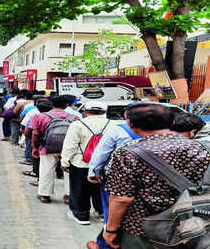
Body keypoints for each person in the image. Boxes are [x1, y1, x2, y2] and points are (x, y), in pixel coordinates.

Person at [104, 103, 210, 248]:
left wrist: (110, 229)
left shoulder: (128, 154)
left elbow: (121, 198)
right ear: (172, 121)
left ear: (130, 124)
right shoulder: (202, 148)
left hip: (144, 229)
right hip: (193, 223)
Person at [86, 105, 142, 249]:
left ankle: (106, 244)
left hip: (117, 181)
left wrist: (93, 172)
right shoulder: (169, 137)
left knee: (112, 212)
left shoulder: (118, 130)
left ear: (127, 118)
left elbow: (101, 154)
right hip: (152, 184)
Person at [61, 101, 109, 225]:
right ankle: (103, 213)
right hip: (104, 164)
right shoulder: (112, 124)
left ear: (86, 111)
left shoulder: (78, 124)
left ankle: (82, 215)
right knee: (101, 189)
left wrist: (65, 162)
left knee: (79, 189)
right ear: (104, 111)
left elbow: (70, 146)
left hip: (80, 163)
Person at [30, 95, 78, 203]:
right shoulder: (75, 117)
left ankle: (44, 195)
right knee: (69, 172)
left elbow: (35, 133)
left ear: (51, 104)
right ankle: (69, 195)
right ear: (66, 105)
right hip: (68, 149)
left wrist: (34, 148)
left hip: (47, 148)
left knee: (46, 171)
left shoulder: (40, 116)